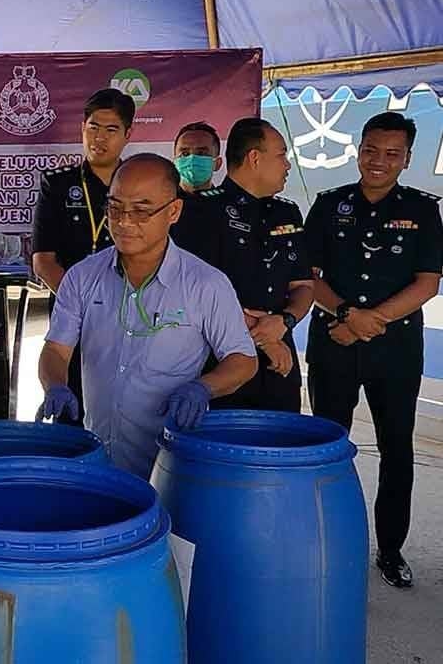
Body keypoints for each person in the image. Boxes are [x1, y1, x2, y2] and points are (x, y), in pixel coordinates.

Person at [37, 153, 257, 479]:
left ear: (173, 211)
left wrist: (204, 387)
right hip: (97, 461)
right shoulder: (82, 277)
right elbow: (56, 349)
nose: (125, 221)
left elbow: (243, 359)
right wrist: (55, 384)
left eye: (141, 211)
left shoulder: (205, 284)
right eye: (115, 208)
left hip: (169, 467)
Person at [305, 112, 443, 589]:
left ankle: (390, 549)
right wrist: (346, 316)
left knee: (396, 451)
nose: (378, 161)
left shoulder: (424, 210)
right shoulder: (328, 205)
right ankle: (322, 541)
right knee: (326, 449)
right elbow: (309, 277)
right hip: (334, 343)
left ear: (406, 160)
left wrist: (370, 321)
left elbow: (428, 282)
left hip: (395, 350)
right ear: (357, 149)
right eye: (371, 149)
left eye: (391, 154)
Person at [185, 118, 314, 413]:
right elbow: (197, 292)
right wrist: (262, 337)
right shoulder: (200, 211)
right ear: (255, 158)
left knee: (281, 449)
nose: (287, 165)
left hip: (279, 363)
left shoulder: (287, 213)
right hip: (219, 365)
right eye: (281, 155)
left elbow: (304, 285)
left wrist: (285, 321)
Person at [31, 87, 135, 425]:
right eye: (93, 127)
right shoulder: (58, 185)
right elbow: (43, 260)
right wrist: (84, 305)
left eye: (110, 130)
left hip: (132, 315)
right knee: (70, 408)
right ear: (82, 128)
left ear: (128, 134)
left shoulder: (138, 185)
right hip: (71, 317)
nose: (99, 138)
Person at [170, 121, 222, 257]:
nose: (192, 159)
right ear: (175, 161)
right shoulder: (161, 204)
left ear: (217, 163)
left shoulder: (228, 206)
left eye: (201, 153)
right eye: (185, 153)